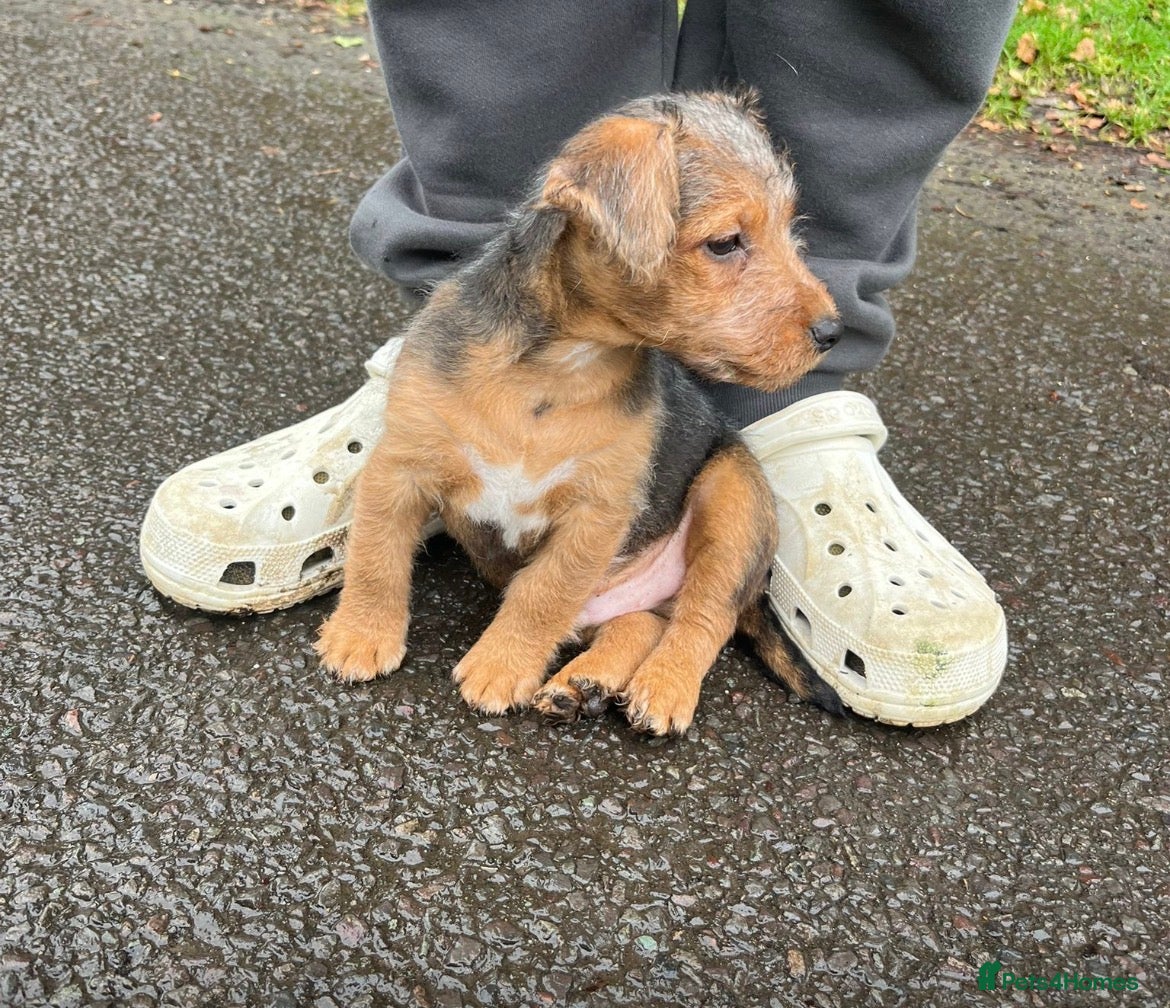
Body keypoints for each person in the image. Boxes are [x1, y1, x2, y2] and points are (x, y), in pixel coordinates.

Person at [140, 0, 1017, 726]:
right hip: (495, 341)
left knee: (718, 483)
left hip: (642, 520)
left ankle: (779, 452)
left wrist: (562, 635)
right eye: (728, 245)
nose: (812, 304)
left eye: (783, 237)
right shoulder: (615, 191)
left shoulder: (645, 382)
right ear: (609, 222)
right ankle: (429, 416)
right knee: (411, 470)